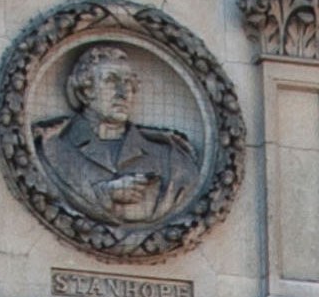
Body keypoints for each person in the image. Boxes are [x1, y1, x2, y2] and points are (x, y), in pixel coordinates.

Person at [25, 42, 205, 227]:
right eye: (111, 81)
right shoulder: (52, 149)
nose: (123, 93)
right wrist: (105, 194)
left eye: (128, 82)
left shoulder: (171, 160)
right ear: (85, 91)